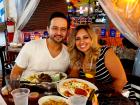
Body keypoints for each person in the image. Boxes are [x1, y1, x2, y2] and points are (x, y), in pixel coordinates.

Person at [68, 25, 136, 101]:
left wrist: (104, 98)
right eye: (77, 39)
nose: (81, 42)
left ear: (92, 38)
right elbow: (73, 78)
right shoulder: (78, 57)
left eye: (85, 37)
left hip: (118, 95)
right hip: (93, 96)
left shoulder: (105, 52)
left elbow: (121, 80)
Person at [10, 12, 70, 79]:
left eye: (63, 29)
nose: (59, 33)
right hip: (27, 87)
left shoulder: (69, 53)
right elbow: (15, 72)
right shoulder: (31, 46)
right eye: (55, 28)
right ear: (48, 29)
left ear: (67, 32)